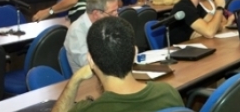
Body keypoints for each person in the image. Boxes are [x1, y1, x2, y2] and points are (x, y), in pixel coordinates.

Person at [52, 17, 184, 112]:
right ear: (135, 53)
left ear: (90, 60)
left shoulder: (89, 109)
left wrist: (75, 79)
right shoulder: (168, 92)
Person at [63, 0, 119, 73]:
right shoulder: (77, 31)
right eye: (112, 12)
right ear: (96, 13)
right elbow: (87, 63)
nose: (116, 15)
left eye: (117, 10)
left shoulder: (105, 23)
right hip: (88, 81)